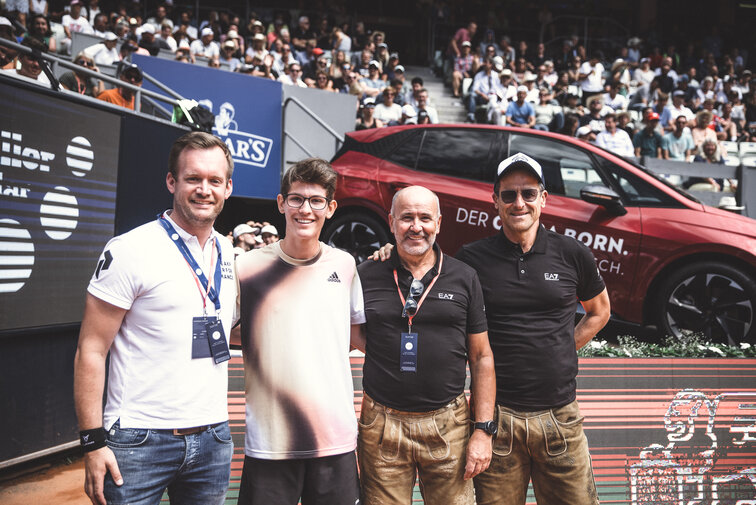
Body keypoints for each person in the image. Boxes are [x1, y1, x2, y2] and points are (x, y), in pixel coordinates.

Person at [73, 132, 237, 505]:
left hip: (213, 438)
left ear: (228, 188)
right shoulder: (131, 249)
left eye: (214, 181)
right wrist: (92, 442)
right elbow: (91, 349)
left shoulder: (226, 251)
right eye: (193, 178)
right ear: (171, 182)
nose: (203, 189)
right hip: (138, 440)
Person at [456, 153, 610, 505]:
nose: (518, 203)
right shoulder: (471, 259)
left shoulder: (572, 253)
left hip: (560, 417)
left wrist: (562, 347)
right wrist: (389, 251)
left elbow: (599, 312)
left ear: (544, 198)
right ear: (495, 201)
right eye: (508, 195)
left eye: (528, 193)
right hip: (496, 419)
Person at [233, 158, 365, 505]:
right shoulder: (245, 267)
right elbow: (227, 334)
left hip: (334, 439)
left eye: (316, 201)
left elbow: (357, 334)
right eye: (296, 199)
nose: (305, 209)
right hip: (269, 441)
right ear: (281, 203)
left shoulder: (346, 265)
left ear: (331, 207)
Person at [355, 186, 496, 505]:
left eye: (424, 218)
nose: (416, 226)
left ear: (439, 223)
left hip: (449, 423)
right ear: (391, 222)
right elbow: (355, 335)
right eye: (406, 218)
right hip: (382, 423)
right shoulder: (365, 274)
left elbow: (481, 356)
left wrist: (483, 430)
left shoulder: (464, 277)